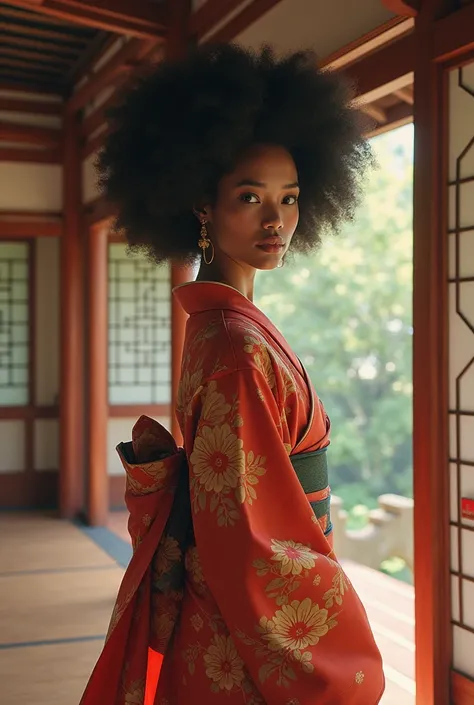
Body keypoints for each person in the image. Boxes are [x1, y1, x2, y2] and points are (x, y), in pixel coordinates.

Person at [80, 44, 385, 705]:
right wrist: (331, 648)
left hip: (218, 619)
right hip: (242, 635)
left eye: (290, 197)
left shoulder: (219, 326)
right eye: (250, 197)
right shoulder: (237, 347)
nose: (277, 221)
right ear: (203, 205)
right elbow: (247, 538)